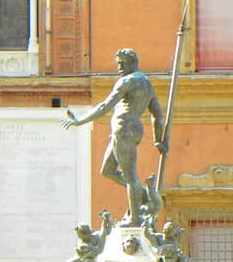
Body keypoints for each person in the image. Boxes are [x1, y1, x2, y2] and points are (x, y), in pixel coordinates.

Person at [62, 48, 167, 227]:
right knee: (107, 170)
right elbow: (157, 113)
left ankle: (134, 219)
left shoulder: (126, 81)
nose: (119, 67)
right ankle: (141, 195)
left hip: (123, 127)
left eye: (122, 63)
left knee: (130, 174)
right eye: (118, 63)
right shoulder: (147, 84)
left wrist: (81, 121)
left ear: (132, 62)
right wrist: (158, 139)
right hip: (132, 128)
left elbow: (105, 106)